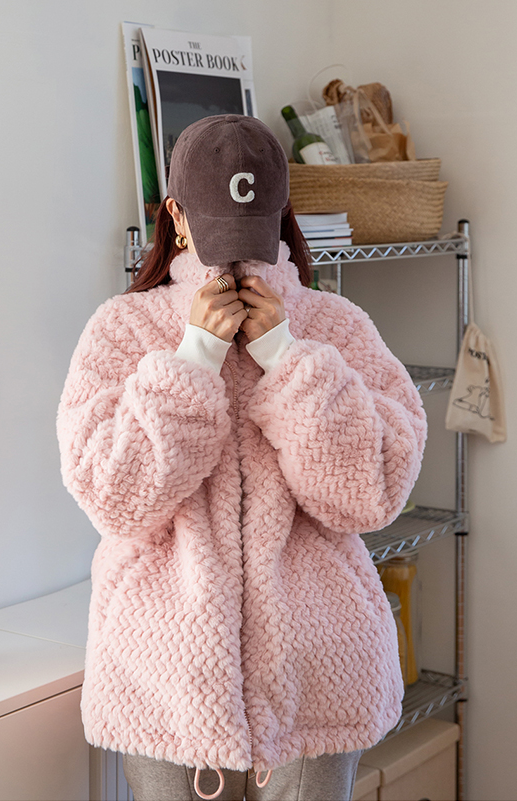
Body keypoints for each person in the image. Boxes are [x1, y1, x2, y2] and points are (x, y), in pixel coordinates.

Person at [56, 114, 427, 801]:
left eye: (253, 235)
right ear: (176, 216)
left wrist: (288, 359)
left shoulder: (336, 327)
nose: (235, 264)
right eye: (219, 233)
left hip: (318, 676)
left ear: (282, 215)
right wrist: (192, 360)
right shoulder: (123, 329)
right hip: (165, 677)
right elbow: (115, 498)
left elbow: (372, 493)